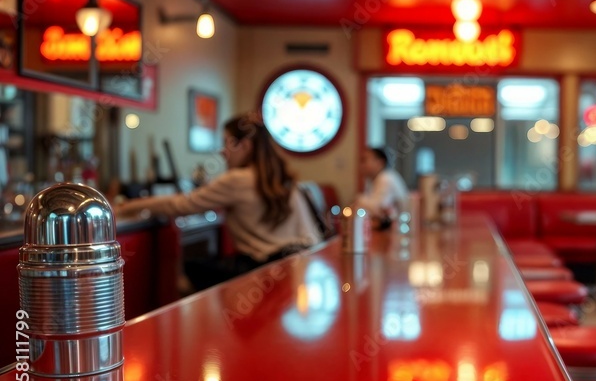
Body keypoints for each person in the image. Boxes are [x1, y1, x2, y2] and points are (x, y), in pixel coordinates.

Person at [118, 114, 321, 290]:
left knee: (189, 269)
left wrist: (128, 206)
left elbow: (180, 205)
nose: (222, 151)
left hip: (263, 267)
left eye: (227, 142)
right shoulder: (281, 177)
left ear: (245, 146)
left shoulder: (237, 179)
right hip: (303, 264)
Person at [355, 147, 409, 229]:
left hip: (401, 229)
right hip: (396, 227)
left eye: (364, 160)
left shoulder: (386, 178)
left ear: (380, 162)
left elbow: (378, 208)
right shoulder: (376, 179)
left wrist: (358, 199)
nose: (361, 165)